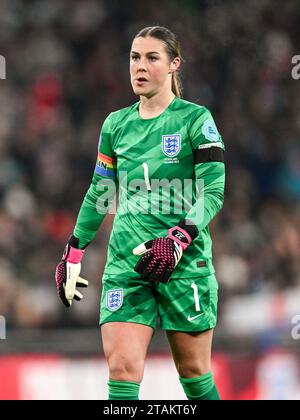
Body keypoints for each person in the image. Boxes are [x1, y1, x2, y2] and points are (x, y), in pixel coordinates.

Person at [55, 25, 225, 400]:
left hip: (184, 263)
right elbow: (101, 192)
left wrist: (178, 239)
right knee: (122, 369)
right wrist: (74, 251)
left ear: (173, 64)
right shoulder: (115, 125)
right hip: (126, 264)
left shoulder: (196, 120)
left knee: (195, 375)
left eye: (151, 58)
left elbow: (213, 191)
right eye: (134, 57)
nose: (140, 66)